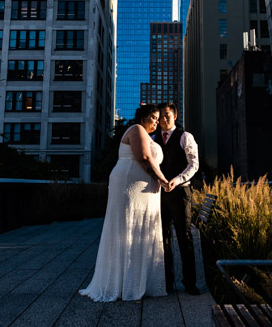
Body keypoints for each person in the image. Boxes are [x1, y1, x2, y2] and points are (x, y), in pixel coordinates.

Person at [80, 104, 170, 302]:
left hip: (146, 191)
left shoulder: (149, 137)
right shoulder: (136, 129)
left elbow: (152, 161)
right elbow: (144, 158)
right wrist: (163, 180)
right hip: (130, 186)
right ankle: (121, 284)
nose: (157, 121)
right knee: (127, 228)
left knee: (140, 231)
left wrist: (162, 181)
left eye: (158, 118)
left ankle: (138, 282)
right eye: (154, 117)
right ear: (144, 117)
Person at [153, 102, 200, 295]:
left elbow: (194, 164)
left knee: (184, 237)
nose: (164, 119)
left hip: (181, 193)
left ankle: (190, 283)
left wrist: (177, 180)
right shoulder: (153, 138)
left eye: (167, 115)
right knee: (162, 238)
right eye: (161, 116)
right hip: (159, 195)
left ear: (175, 116)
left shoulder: (185, 136)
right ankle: (167, 281)